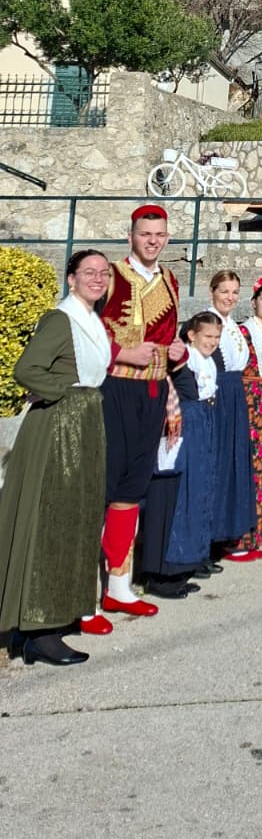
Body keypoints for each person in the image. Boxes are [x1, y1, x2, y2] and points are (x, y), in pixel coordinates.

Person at [0, 251, 112, 666]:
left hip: (83, 424)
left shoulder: (91, 320)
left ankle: (56, 615)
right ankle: (38, 631)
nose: (97, 278)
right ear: (71, 279)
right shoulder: (61, 319)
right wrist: (65, 392)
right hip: (58, 429)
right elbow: (27, 369)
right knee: (52, 519)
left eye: (103, 273)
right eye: (89, 272)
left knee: (76, 518)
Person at [98, 203, 186, 619]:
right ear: (130, 236)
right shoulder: (110, 275)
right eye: (146, 234)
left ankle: (119, 584)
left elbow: (169, 336)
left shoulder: (170, 278)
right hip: (115, 387)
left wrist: (178, 350)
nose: (153, 241)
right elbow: (84, 330)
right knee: (105, 484)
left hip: (152, 389)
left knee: (132, 487)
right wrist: (121, 351)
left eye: (159, 234)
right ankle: (86, 589)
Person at [145, 311, 224, 597]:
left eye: (217, 337)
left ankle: (187, 563)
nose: (212, 342)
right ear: (191, 335)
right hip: (184, 428)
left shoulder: (208, 360)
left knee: (198, 494)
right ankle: (164, 573)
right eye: (208, 336)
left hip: (202, 425)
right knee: (178, 496)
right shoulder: (183, 361)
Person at [226, 275, 262, 561]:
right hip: (249, 399)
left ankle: (258, 534)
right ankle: (238, 538)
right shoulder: (243, 331)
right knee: (249, 466)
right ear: (254, 302)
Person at [207, 271, 255, 557]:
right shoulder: (206, 321)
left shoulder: (233, 325)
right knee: (218, 462)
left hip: (235, 394)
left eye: (235, 292)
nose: (230, 297)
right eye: (224, 291)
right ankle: (210, 536)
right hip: (217, 394)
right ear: (212, 291)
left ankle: (228, 532)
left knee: (233, 462)